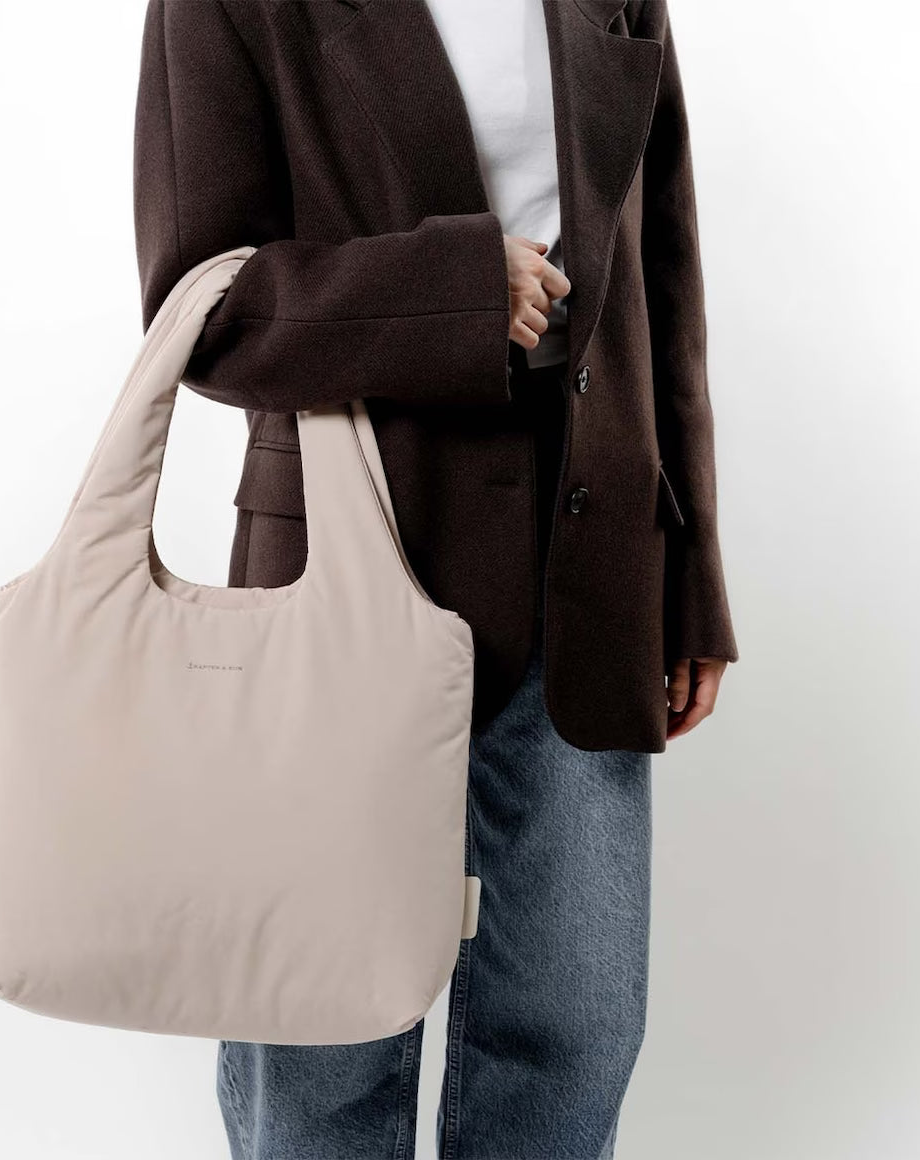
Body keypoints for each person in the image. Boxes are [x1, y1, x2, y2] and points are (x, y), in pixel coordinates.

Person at [133, 0, 738, 1155]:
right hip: (344, 565)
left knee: (572, 1031)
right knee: (318, 1041)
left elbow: (659, 265)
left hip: (589, 554)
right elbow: (199, 299)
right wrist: (451, 292)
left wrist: (691, 568)